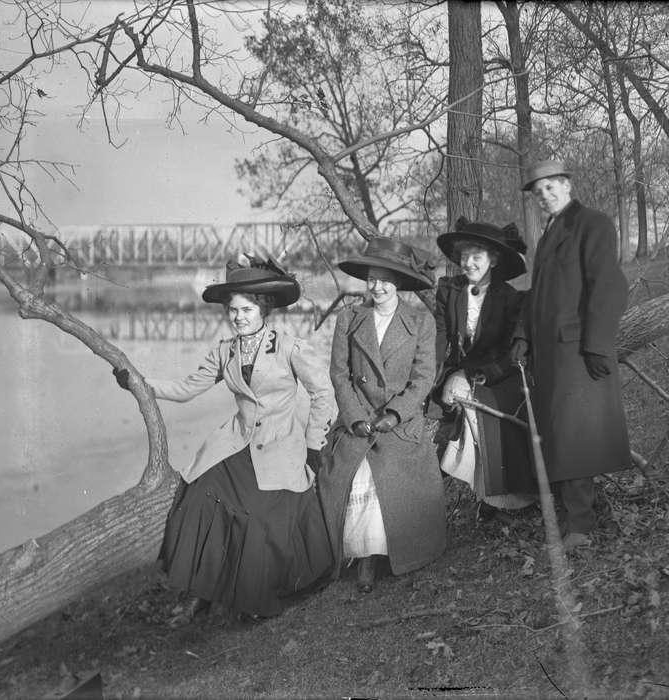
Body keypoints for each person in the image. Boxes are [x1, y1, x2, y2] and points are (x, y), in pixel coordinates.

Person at [112, 255, 336, 622]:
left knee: (260, 517)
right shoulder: (225, 351)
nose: (238, 317)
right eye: (233, 310)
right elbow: (186, 389)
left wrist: (314, 444)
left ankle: (254, 598)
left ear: (264, 308)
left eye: (246, 309)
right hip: (237, 442)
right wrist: (139, 383)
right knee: (200, 496)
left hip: (281, 445)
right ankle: (204, 592)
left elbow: (322, 392)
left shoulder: (288, 346)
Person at [511, 159, 632, 552]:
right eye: (538, 192)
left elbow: (608, 285)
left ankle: (581, 528)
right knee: (561, 438)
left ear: (566, 185)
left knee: (576, 439)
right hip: (549, 355)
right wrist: (522, 338)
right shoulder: (546, 236)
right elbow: (538, 296)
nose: (544, 196)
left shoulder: (592, 223)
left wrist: (597, 343)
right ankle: (576, 519)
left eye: (550, 187)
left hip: (578, 351)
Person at [317, 236, 445, 593]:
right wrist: (355, 415)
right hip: (358, 418)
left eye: (386, 279)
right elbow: (339, 374)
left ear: (399, 283)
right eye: (372, 278)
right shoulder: (349, 318)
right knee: (351, 470)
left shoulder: (420, 322)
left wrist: (395, 414)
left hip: (398, 422)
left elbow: (423, 379)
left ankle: (399, 549)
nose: (378, 286)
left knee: (392, 471)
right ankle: (364, 557)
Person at [430, 217, 537, 521]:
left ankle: (504, 500)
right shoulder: (449, 292)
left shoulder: (510, 298)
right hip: (460, 372)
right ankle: (478, 494)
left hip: (500, 374)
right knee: (451, 403)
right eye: (464, 256)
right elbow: (439, 340)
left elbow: (509, 350)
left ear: (493, 260)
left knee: (490, 414)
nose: (469, 263)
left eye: (477, 257)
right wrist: (434, 377)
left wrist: (485, 374)